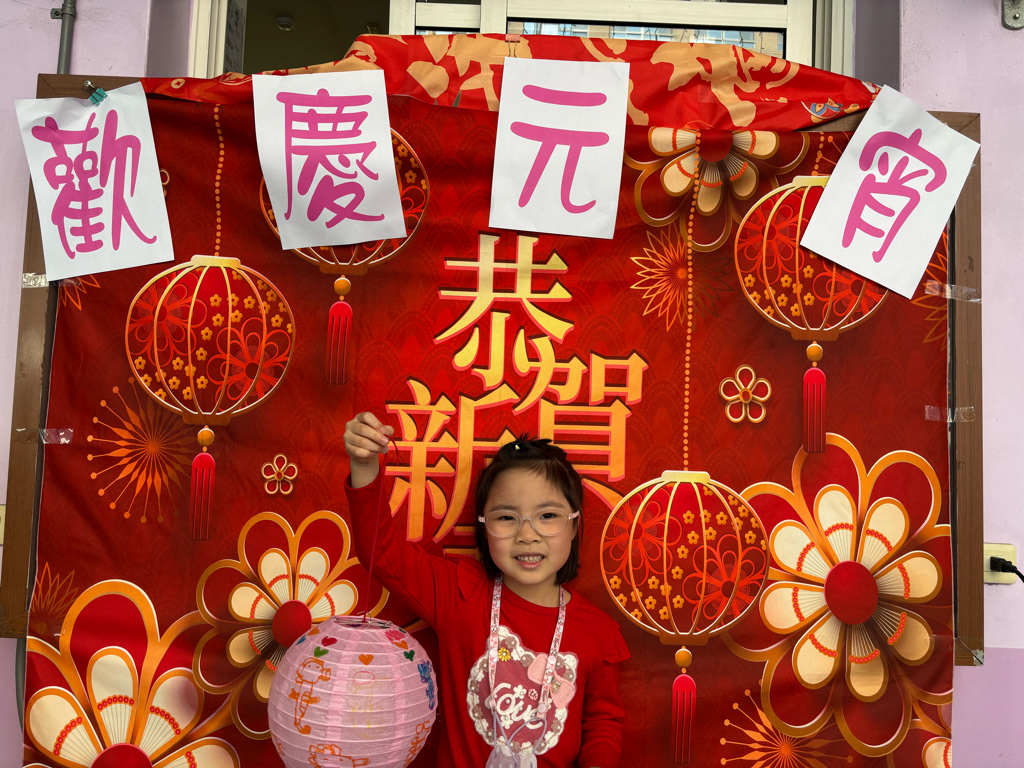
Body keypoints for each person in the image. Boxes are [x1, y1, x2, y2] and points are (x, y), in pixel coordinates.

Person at [344, 412, 629, 768]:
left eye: (547, 516)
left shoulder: (598, 632)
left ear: (574, 526)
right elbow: (384, 555)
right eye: (507, 517)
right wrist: (364, 465)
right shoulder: (460, 594)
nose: (528, 535)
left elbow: (602, 723)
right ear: (484, 528)